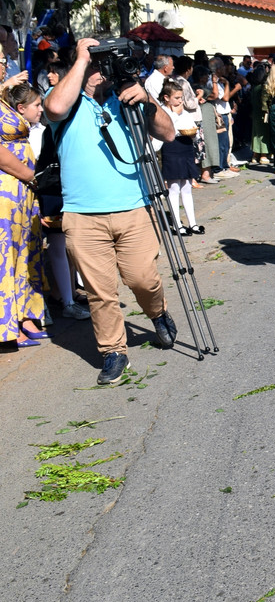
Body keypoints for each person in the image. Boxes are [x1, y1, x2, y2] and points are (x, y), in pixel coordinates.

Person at [42, 37, 179, 384]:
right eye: (95, 63)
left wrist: (147, 99)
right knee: (100, 291)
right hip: (82, 215)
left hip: (134, 208)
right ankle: (113, 351)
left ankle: (158, 312)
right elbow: (54, 108)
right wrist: (81, 58)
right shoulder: (67, 101)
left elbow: (169, 133)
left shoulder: (127, 100)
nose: (101, 70)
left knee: (142, 278)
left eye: (104, 63)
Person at [0, 82, 50, 349]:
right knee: (7, 256)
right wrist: (31, 175)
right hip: (7, 190)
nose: (3, 65)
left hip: (24, 192)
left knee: (26, 253)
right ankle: (8, 326)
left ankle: (25, 316)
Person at [158, 80, 204, 236]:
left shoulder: (183, 112)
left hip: (186, 147)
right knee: (174, 188)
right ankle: (177, 224)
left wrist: (193, 132)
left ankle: (193, 223)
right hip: (172, 147)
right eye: (177, 98)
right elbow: (167, 128)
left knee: (187, 186)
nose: (180, 101)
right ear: (166, 97)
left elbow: (191, 127)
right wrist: (176, 116)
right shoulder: (164, 111)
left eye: (181, 98)